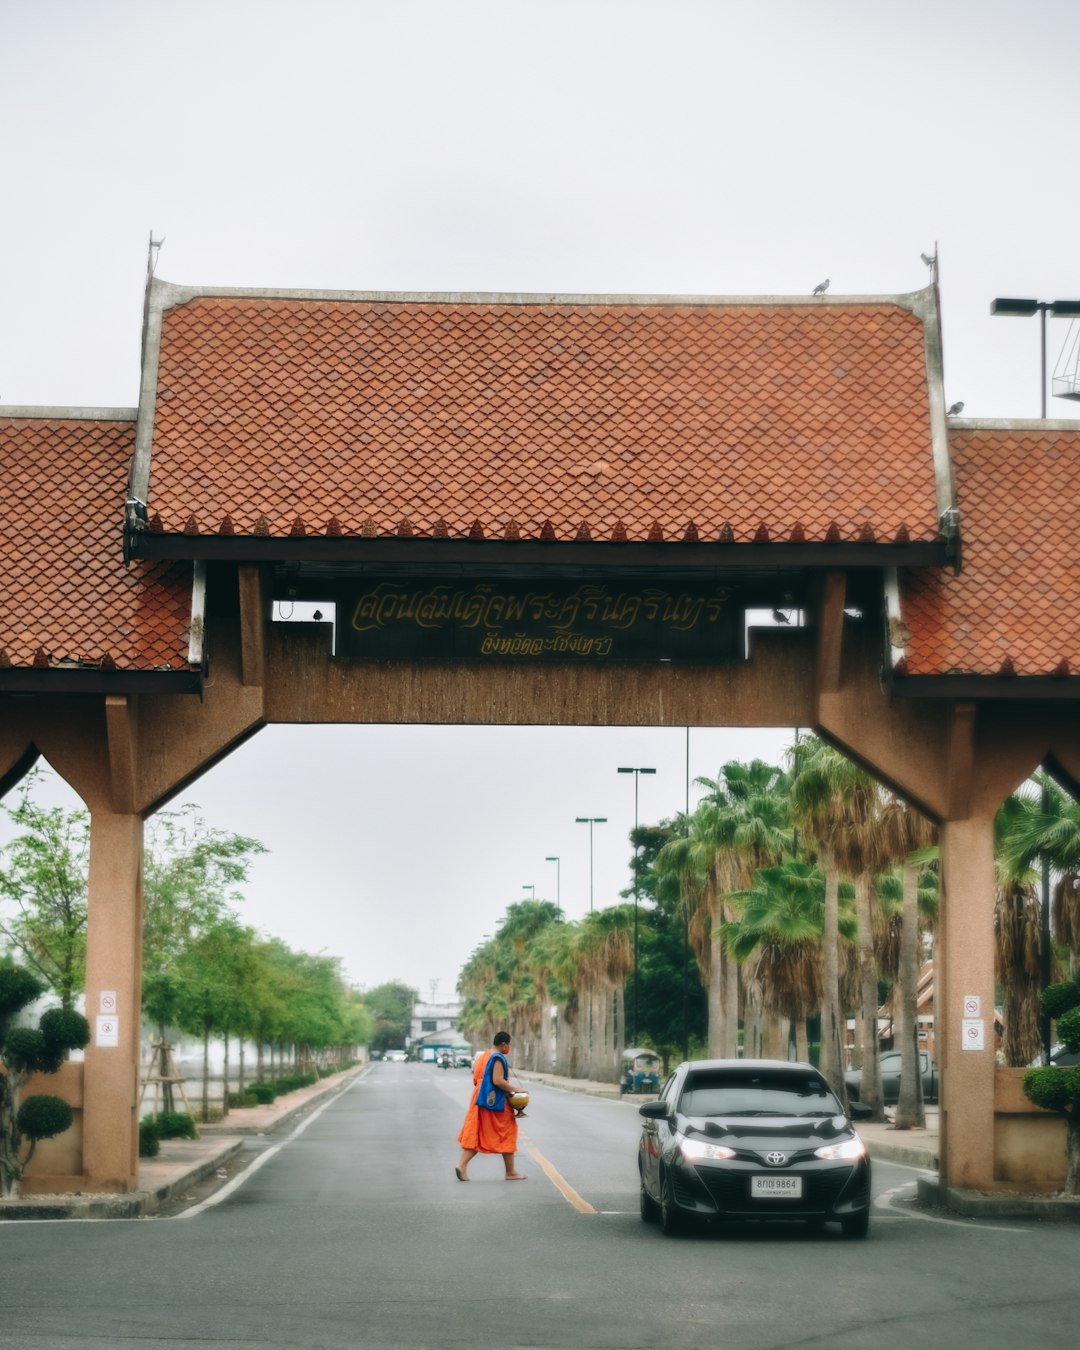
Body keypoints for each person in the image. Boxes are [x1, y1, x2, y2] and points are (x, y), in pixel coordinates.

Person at [455, 1031, 527, 1181]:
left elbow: (476, 1079)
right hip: (495, 1099)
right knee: (507, 1130)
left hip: (479, 1097)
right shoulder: (498, 1058)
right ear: (504, 1044)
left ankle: (461, 1165)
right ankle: (510, 1172)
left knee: (478, 1132)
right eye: (508, 1045)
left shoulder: (482, 1057)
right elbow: (498, 1080)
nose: (509, 1048)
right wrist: (515, 1089)